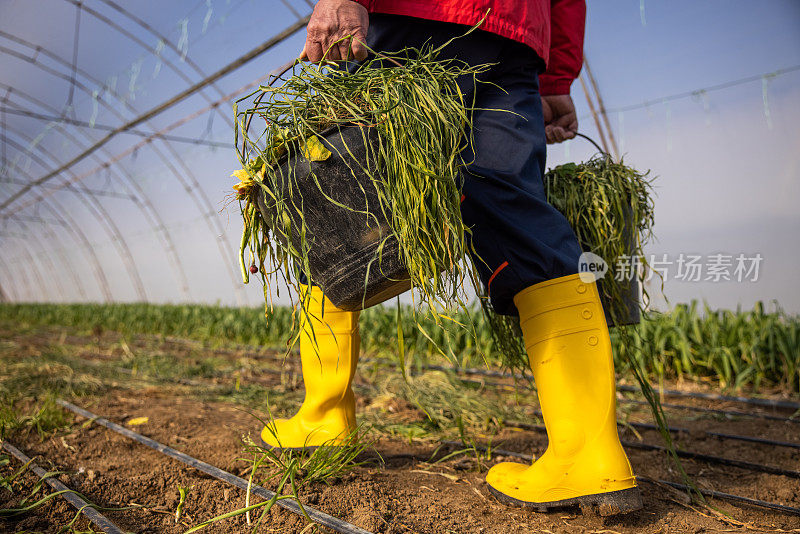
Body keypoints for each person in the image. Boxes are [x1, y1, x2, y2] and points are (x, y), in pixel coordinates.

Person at [260, 0, 642, 516]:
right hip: (513, 39)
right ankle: (590, 453)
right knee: (514, 208)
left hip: (419, 19)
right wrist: (555, 78)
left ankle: (323, 418)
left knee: (334, 195)